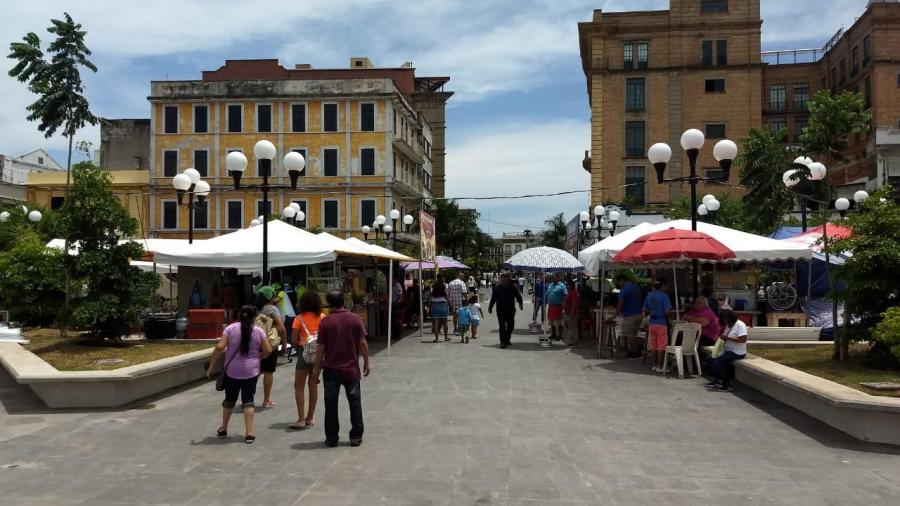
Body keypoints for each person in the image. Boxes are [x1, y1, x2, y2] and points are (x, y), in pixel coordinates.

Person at [312, 290, 370, 447]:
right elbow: (363, 342)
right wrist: (366, 362)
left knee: (330, 405)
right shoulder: (355, 318)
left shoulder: (326, 322)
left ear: (329, 303)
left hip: (331, 369)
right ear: (344, 301)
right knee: (355, 402)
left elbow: (321, 348)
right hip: (351, 368)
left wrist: (316, 371)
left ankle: (331, 438)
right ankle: (356, 436)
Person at [207, 305, 272, 444]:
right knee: (248, 401)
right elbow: (268, 350)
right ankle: (249, 433)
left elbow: (219, 347)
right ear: (254, 317)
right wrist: (259, 357)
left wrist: (211, 366)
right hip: (251, 371)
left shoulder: (230, 328)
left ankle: (223, 429)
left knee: (229, 400)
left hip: (232, 371)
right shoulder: (258, 331)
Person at [289, 291, 325, 429]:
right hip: (319, 355)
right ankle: (310, 417)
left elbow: (293, 340)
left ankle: (301, 418)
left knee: (298, 386)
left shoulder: (298, 319)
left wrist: (301, 345)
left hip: (304, 353)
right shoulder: (322, 316)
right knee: (313, 384)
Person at [255, 286, 287, 408]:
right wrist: (284, 344)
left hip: (255, 343)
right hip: (269, 343)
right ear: (270, 297)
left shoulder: (255, 308)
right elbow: (282, 328)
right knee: (268, 372)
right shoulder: (272, 309)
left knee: (256, 371)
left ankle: (247, 397)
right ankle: (266, 400)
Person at [708, 309, 747, 392]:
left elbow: (743, 339)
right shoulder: (728, 325)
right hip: (728, 349)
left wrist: (728, 338)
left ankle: (727, 383)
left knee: (719, 362)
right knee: (711, 358)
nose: (725, 321)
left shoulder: (740, 325)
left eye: (726, 319)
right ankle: (718, 380)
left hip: (737, 351)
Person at [643, 278, 673, 373]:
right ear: (662, 285)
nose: (667, 287)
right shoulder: (664, 296)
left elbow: (644, 308)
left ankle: (654, 365)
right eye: (666, 285)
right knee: (662, 346)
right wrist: (670, 313)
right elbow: (667, 311)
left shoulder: (650, 295)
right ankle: (660, 366)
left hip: (652, 323)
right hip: (661, 323)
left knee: (654, 345)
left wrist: (652, 312)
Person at [612, 274, 643, 359]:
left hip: (630, 315)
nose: (619, 284)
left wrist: (615, 315)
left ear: (622, 281)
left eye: (619, 282)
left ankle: (635, 352)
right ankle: (632, 350)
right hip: (639, 314)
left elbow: (620, 303)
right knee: (635, 333)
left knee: (630, 334)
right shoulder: (636, 287)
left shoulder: (624, 290)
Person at [488, 273, 523, 349]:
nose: (503, 279)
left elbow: (518, 295)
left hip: (510, 310)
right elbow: (493, 299)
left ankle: (507, 339)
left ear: (508, 278)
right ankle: (503, 342)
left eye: (505, 277)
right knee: (502, 326)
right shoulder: (496, 288)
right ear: (500, 278)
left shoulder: (512, 287)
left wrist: (520, 303)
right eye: (502, 277)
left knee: (511, 326)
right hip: (500, 310)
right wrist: (490, 307)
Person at [273, 282, 296, 353]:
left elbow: (276, 301)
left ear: (277, 290)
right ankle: (292, 348)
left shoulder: (281, 292)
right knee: (289, 332)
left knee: (287, 333)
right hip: (290, 315)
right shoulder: (284, 293)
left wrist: (268, 299)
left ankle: (291, 349)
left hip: (287, 315)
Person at [545, 274, 567, 340]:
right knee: (551, 321)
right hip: (551, 306)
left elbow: (565, 295)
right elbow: (547, 293)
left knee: (559, 322)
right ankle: (553, 334)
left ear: (558, 278)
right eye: (553, 278)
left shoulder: (561, 285)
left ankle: (560, 335)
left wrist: (563, 303)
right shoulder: (550, 285)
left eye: (555, 278)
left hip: (558, 306)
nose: (554, 279)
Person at [562, 280, 582, 348]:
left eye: (567, 284)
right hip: (568, 312)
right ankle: (573, 340)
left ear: (571, 285)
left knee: (573, 327)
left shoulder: (573, 292)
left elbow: (574, 302)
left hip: (572, 313)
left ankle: (575, 342)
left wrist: (572, 312)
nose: (566, 286)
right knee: (570, 327)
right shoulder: (570, 292)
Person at [430, 277, 450, 342]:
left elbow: (430, 295)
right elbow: (448, 299)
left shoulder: (433, 289)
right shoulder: (443, 291)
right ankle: (446, 337)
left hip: (434, 305)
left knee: (436, 324)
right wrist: (452, 307)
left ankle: (436, 338)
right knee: (445, 323)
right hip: (442, 306)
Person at [391, 274, 404, 340]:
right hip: (394, 303)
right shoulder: (394, 285)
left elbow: (400, 295)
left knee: (394, 319)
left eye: (393, 279)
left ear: (396, 279)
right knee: (393, 320)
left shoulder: (398, 285)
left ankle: (398, 334)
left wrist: (396, 302)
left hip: (396, 304)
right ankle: (395, 334)